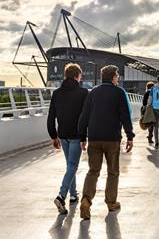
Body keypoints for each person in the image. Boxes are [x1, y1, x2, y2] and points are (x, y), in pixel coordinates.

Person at [78, 65, 134, 219]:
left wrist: (82, 137)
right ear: (113, 77)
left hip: (94, 138)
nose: (118, 78)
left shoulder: (93, 92)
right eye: (117, 76)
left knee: (93, 171)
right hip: (112, 139)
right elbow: (125, 116)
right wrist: (130, 136)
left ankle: (86, 200)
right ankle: (111, 203)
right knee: (113, 171)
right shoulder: (119, 93)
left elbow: (84, 116)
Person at [47, 63, 88, 214]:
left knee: (70, 165)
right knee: (72, 166)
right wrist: (84, 136)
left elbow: (51, 116)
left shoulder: (57, 93)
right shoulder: (83, 92)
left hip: (62, 134)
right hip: (76, 135)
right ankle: (61, 195)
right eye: (80, 76)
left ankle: (73, 195)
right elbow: (85, 117)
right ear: (77, 76)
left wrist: (53, 135)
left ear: (66, 75)